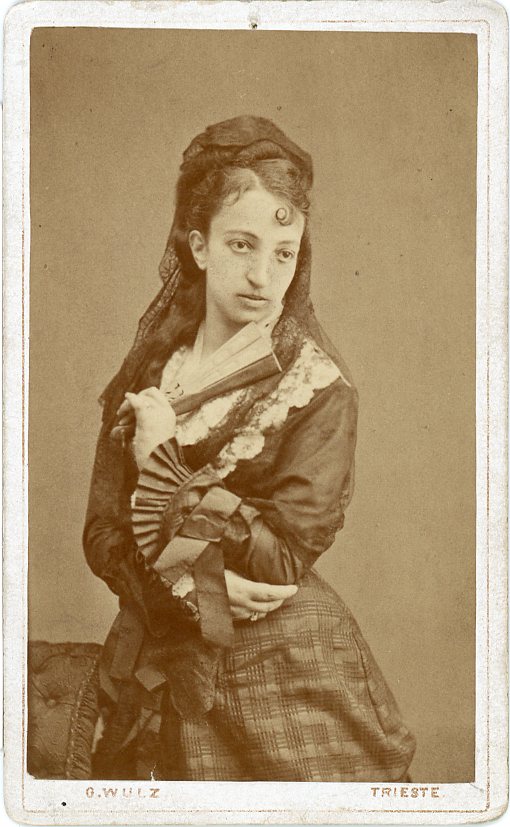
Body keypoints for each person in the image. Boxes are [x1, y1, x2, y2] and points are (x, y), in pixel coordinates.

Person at [83, 115, 416, 782]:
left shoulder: (318, 389)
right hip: (158, 655)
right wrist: (188, 592)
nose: (263, 275)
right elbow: (103, 534)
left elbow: (282, 559)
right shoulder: (153, 371)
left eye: (284, 253)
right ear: (199, 245)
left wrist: (163, 462)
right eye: (242, 245)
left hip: (285, 670)